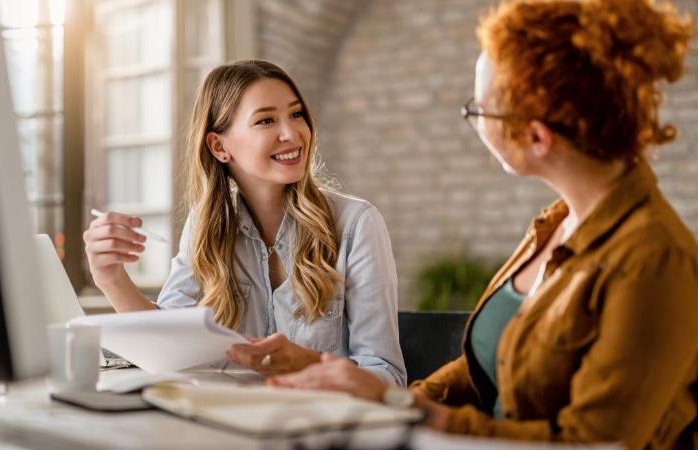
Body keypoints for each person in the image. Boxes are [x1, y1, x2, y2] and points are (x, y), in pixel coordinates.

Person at [269, 0, 698, 448]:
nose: (473, 121)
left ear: (536, 136)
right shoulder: (555, 226)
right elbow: (483, 370)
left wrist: (404, 409)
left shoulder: (655, 260)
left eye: (479, 110)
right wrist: (385, 402)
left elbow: (590, 443)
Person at [83, 60, 406, 385]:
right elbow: (166, 346)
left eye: (296, 114)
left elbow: (387, 377)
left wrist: (306, 363)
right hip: (227, 423)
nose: (292, 133)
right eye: (266, 120)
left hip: (319, 427)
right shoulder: (206, 226)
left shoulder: (356, 224)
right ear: (219, 146)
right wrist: (111, 279)